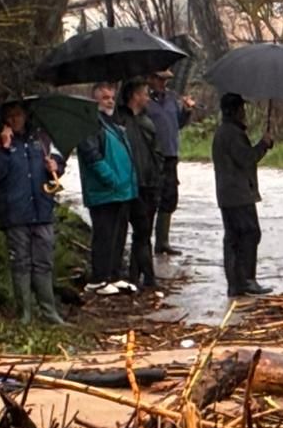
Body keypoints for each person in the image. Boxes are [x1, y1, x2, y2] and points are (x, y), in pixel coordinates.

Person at [0, 102, 66, 325]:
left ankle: (49, 312)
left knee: (44, 261)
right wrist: (6, 147)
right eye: (10, 116)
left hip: (42, 210)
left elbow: (60, 163)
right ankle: (25, 314)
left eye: (18, 115)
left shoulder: (42, 139)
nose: (15, 119)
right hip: (15, 213)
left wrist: (55, 167)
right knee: (20, 262)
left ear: (26, 116)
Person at [75, 82, 138, 295]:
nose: (110, 100)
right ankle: (99, 279)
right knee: (104, 235)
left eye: (111, 96)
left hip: (121, 190)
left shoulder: (114, 122)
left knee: (119, 234)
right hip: (104, 191)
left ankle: (114, 275)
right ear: (95, 100)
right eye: (104, 97)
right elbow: (91, 155)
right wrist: (111, 178)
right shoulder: (89, 124)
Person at [212, 93, 276, 297]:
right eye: (241, 109)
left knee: (233, 237)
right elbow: (247, 159)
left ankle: (235, 283)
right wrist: (263, 144)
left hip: (227, 194)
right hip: (239, 194)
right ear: (235, 110)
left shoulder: (223, 132)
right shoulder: (233, 134)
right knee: (249, 234)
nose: (244, 112)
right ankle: (247, 280)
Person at [145, 68, 194, 255]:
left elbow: (178, 123)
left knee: (170, 197)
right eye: (159, 79)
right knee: (152, 199)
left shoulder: (172, 99)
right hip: (153, 156)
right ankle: (145, 242)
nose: (163, 83)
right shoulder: (146, 103)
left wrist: (187, 111)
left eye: (165, 80)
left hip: (171, 156)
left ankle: (162, 241)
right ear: (150, 79)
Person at [118, 77, 162, 289]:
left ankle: (137, 277)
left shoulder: (147, 122)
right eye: (145, 93)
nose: (148, 98)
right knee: (140, 232)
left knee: (144, 233)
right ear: (134, 95)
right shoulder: (119, 122)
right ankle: (148, 279)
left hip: (149, 185)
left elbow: (156, 152)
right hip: (128, 186)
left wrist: (158, 176)